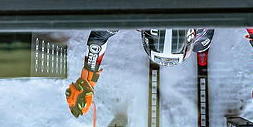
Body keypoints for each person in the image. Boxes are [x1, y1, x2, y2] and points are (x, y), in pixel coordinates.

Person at [65, 28, 214, 117]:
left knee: (201, 46)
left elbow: (99, 36)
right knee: (201, 46)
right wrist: (87, 80)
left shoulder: (202, 34)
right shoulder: (203, 35)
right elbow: (98, 38)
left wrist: (88, 80)